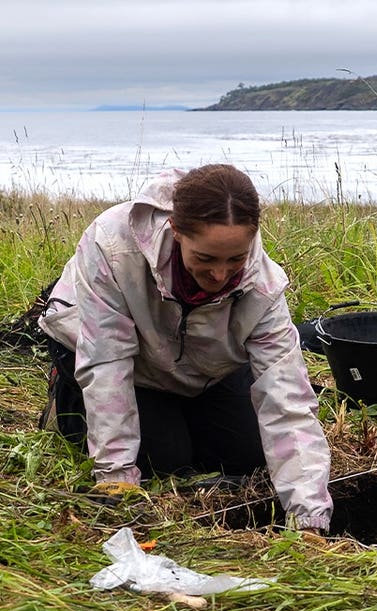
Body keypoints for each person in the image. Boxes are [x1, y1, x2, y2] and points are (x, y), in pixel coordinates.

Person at [38, 164, 332, 532]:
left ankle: (174, 414)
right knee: (163, 459)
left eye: (235, 259)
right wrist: (115, 474)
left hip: (196, 367)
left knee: (249, 455)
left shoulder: (262, 286)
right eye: (206, 259)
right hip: (118, 360)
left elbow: (287, 397)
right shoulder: (112, 244)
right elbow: (107, 360)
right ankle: (64, 399)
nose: (221, 275)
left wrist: (308, 516)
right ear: (176, 231)